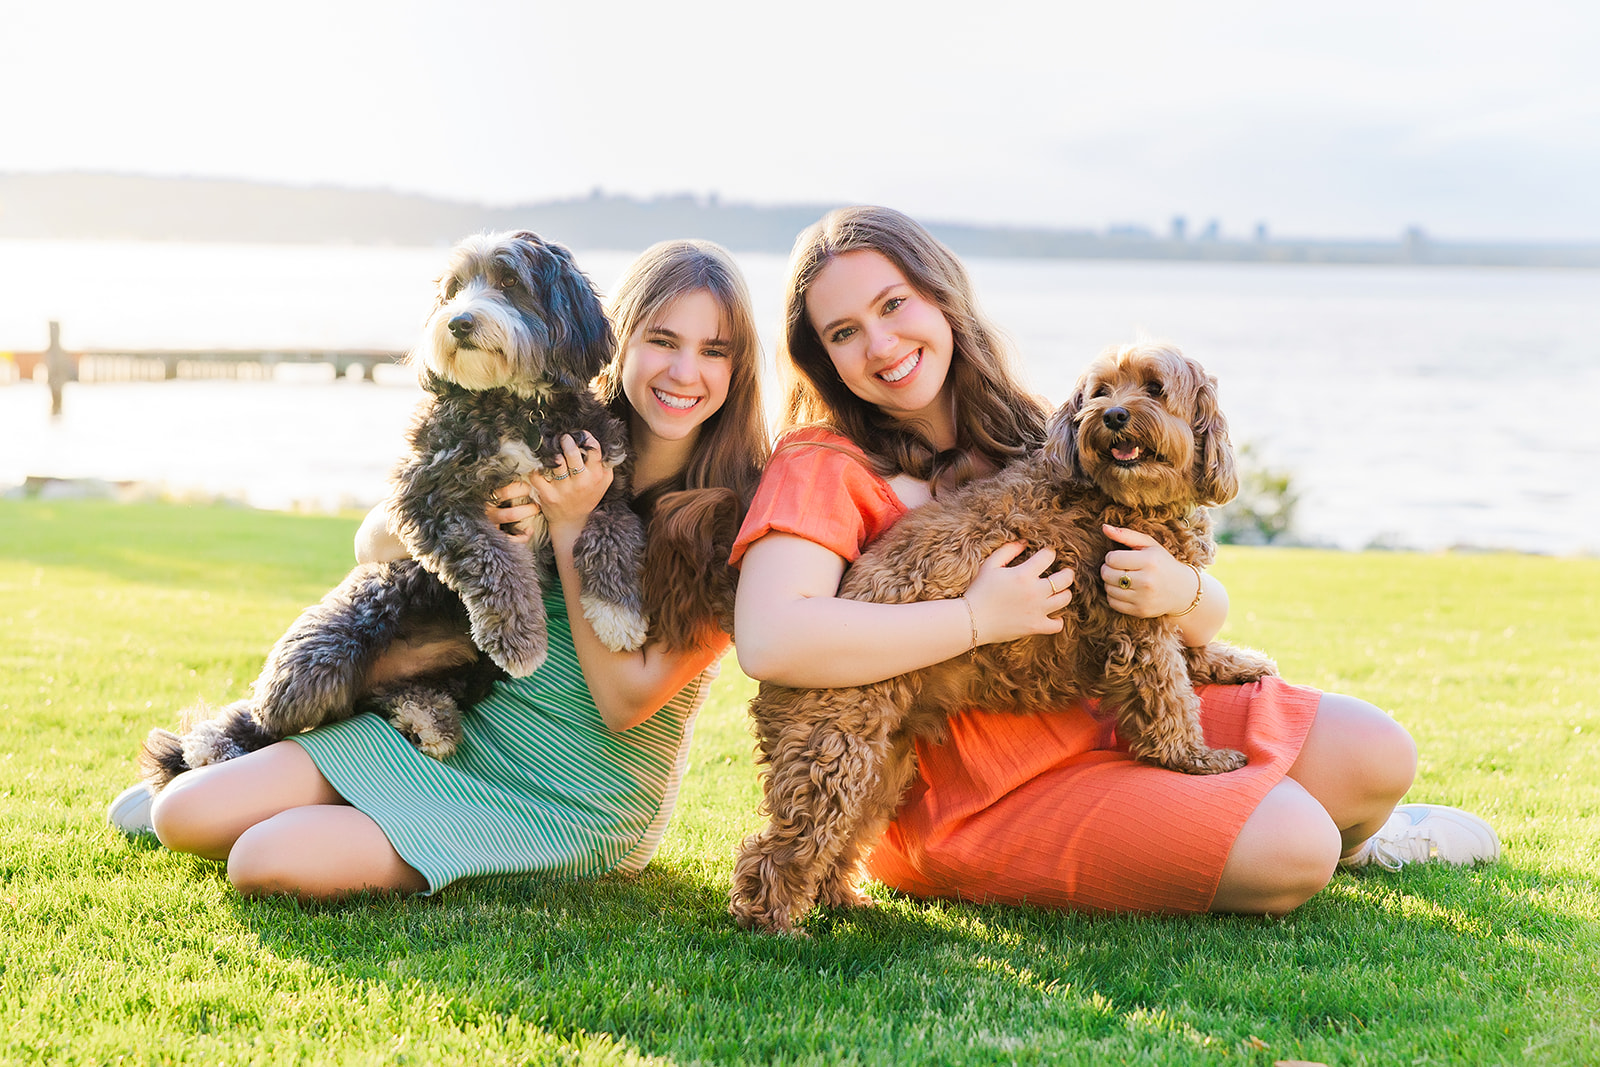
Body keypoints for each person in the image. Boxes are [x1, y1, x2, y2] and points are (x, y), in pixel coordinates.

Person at [729, 206, 1498, 917]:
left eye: (893, 305)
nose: (882, 344)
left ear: (941, 297)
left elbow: (1174, 612)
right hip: (974, 791)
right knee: (1298, 847)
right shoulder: (820, 463)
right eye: (844, 332)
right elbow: (770, 640)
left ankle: (1355, 835)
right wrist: (973, 618)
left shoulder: (1048, 427)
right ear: (821, 358)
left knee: (1378, 749)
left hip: (1093, 714)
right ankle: (1307, 833)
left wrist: (1185, 587)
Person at [109, 239, 769, 900]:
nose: (686, 370)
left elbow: (627, 703)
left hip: (575, 794)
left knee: (260, 860)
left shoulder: (733, 513)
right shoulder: (553, 426)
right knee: (181, 814)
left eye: (714, 350)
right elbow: (373, 542)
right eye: (663, 339)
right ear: (621, 341)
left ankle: (306, 809)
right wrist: (478, 507)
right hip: (471, 731)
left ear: (739, 369)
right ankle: (254, 787)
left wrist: (569, 525)